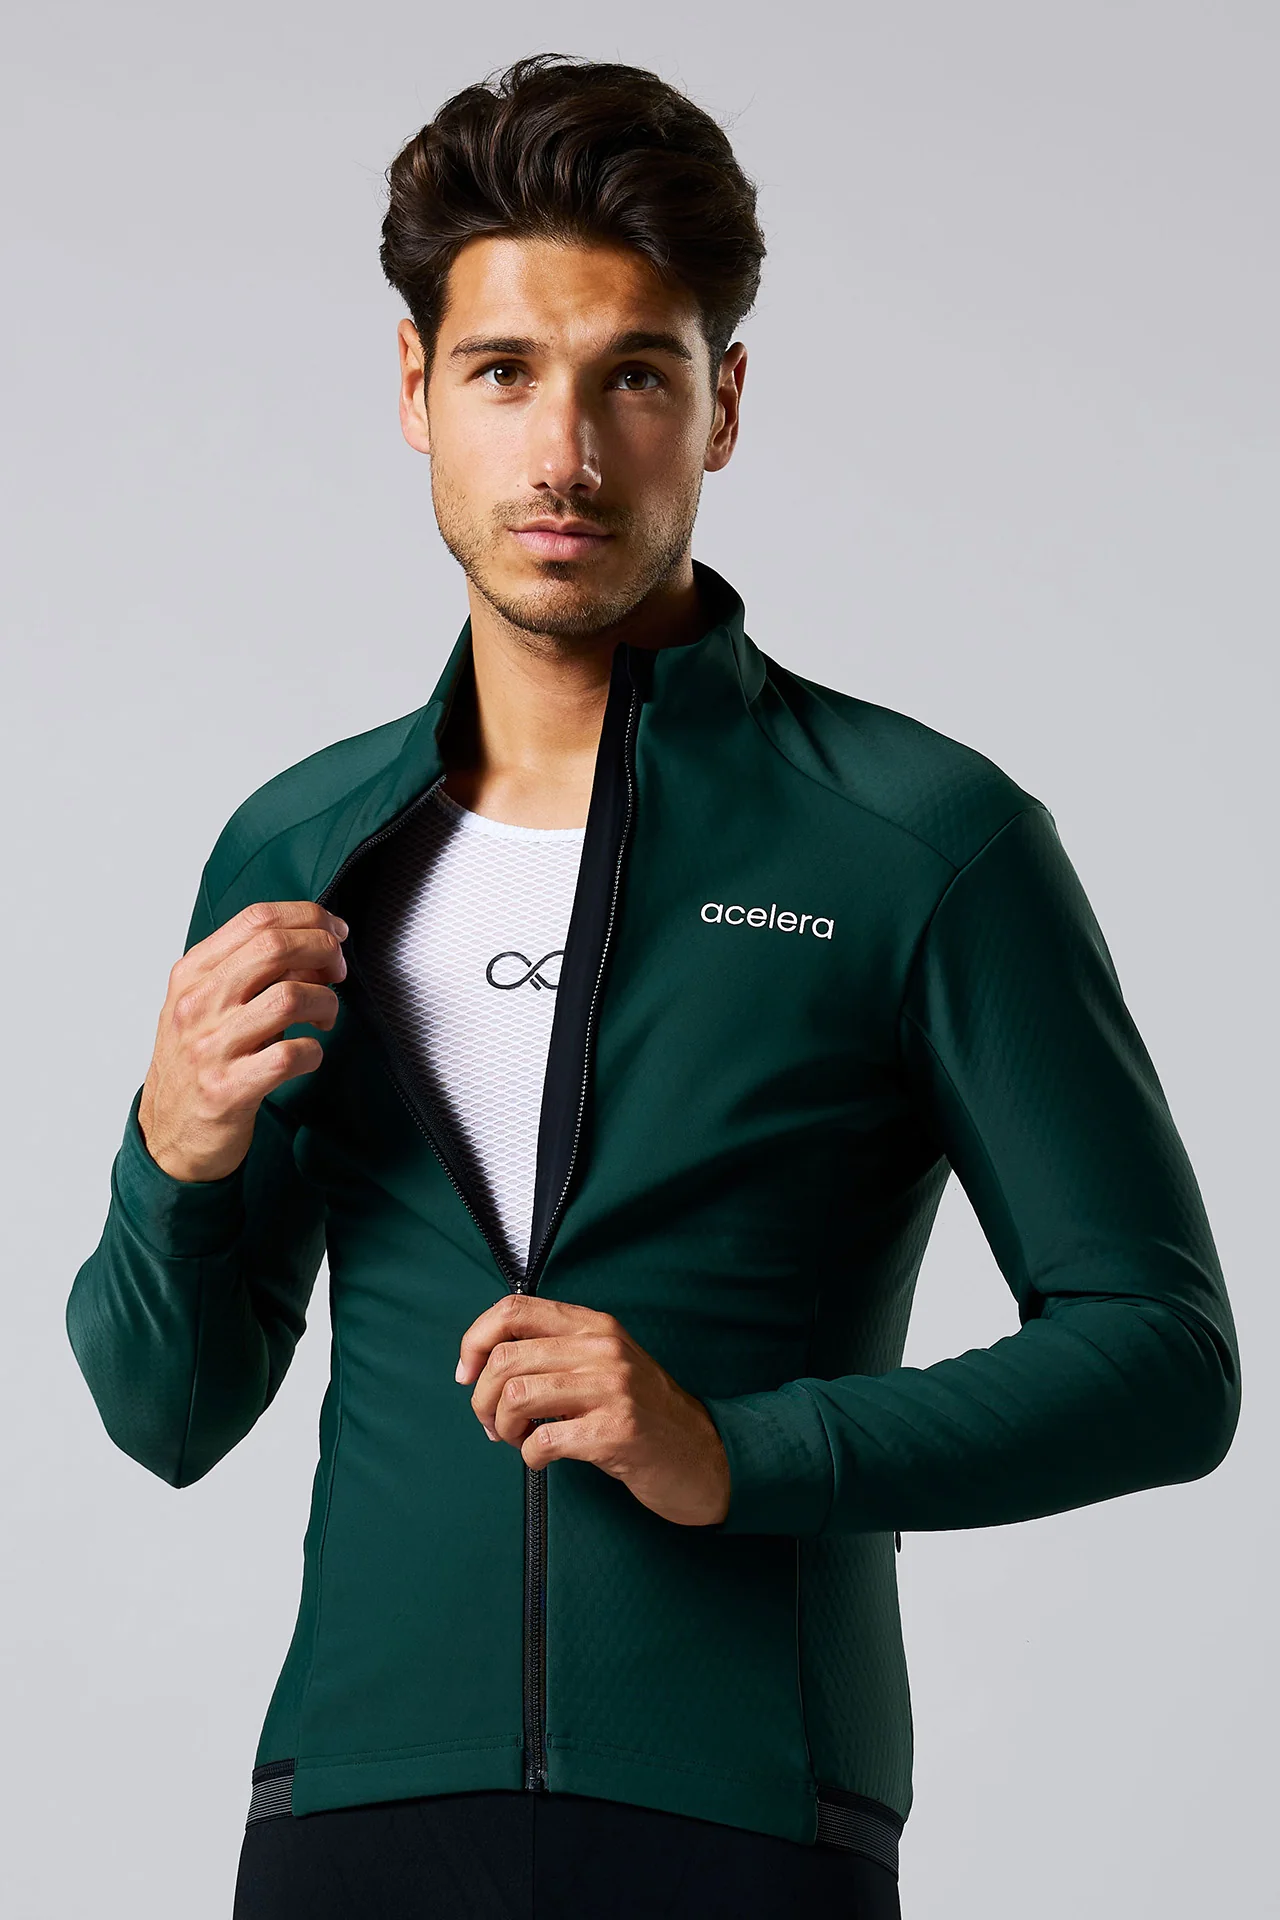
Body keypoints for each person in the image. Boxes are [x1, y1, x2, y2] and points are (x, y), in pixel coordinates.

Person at [65, 52, 1241, 1920]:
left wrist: (737, 1451)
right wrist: (172, 1153)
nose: (566, 454)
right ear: (413, 390)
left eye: (634, 375)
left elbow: (1164, 1360)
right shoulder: (300, 845)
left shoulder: (920, 841)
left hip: (746, 1821)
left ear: (724, 404)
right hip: (351, 1814)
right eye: (503, 372)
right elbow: (167, 1409)